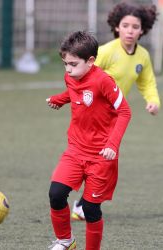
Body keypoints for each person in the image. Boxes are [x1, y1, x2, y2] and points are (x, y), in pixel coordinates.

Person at [72, 1, 161, 221]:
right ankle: (81, 203)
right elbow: (83, 74)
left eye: (135, 26)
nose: (130, 30)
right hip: (94, 114)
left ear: (143, 30)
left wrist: (153, 100)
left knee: (106, 163)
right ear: (117, 27)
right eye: (126, 25)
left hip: (115, 117)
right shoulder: (105, 52)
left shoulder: (143, 56)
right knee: (99, 161)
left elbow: (147, 82)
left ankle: (83, 204)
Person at [46, 31, 131, 250]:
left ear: (91, 61)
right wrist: (59, 100)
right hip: (75, 150)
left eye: (73, 64)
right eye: (65, 64)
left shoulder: (103, 81)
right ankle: (65, 241)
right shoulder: (71, 76)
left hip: (101, 156)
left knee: (91, 210)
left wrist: (112, 145)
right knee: (56, 194)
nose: (68, 70)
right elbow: (73, 93)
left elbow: (124, 111)